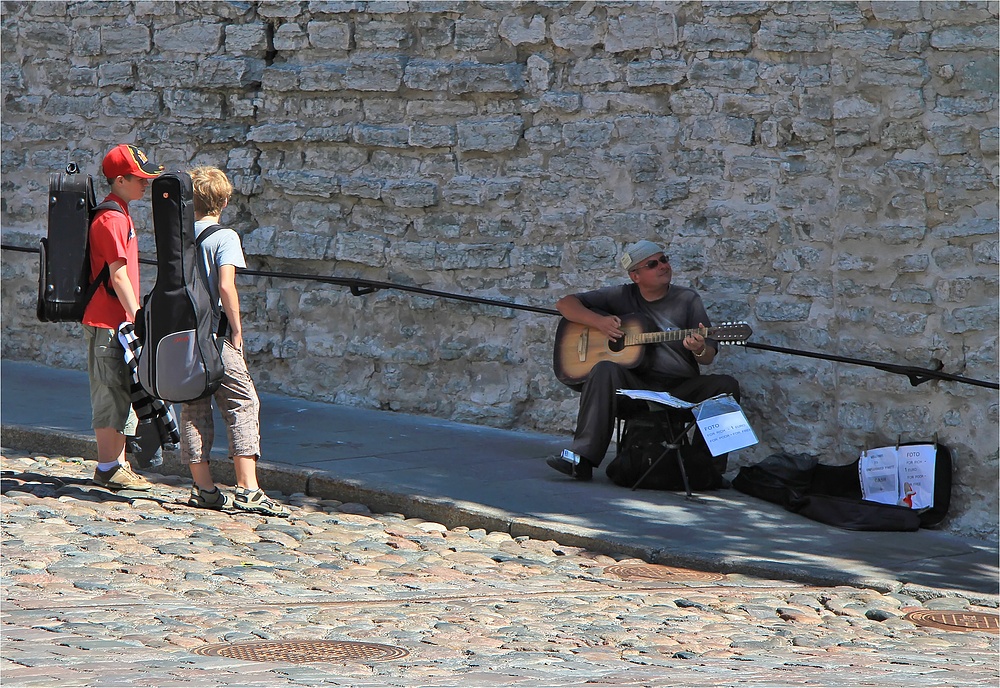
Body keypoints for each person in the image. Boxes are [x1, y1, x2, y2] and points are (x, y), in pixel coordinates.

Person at [547, 240, 741, 481]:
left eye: (664, 260)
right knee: (604, 368)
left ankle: (708, 471)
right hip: (635, 388)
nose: (662, 266)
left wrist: (699, 349)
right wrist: (598, 322)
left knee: (726, 386)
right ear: (635, 276)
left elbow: (708, 357)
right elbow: (565, 304)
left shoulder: (687, 299)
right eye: (652, 264)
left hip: (679, 389)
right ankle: (581, 460)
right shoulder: (621, 296)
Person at [180, 166, 287, 517]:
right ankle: (248, 488)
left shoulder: (178, 235)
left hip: (185, 335)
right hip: (215, 335)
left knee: (195, 407)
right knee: (242, 401)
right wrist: (237, 331)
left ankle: (203, 487)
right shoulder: (223, 237)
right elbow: (226, 286)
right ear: (224, 201)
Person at [85, 144, 164, 490]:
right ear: (119, 180)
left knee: (121, 389)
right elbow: (118, 275)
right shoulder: (113, 218)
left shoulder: (120, 212)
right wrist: (137, 316)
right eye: (140, 178)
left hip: (114, 322)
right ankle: (107, 468)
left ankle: (117, 463)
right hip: (108, 320)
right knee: (110, 392)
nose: (145, 184)